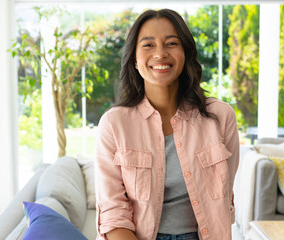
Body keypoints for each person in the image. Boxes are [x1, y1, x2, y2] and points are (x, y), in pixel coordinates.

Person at [95, 9, 239, 240]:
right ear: (134, 58)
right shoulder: (114, 124)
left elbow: (222, 202)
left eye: (172, 43)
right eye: (148, 45)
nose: (160, 54)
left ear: (185, 53)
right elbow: (113, 214)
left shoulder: (220, 117)